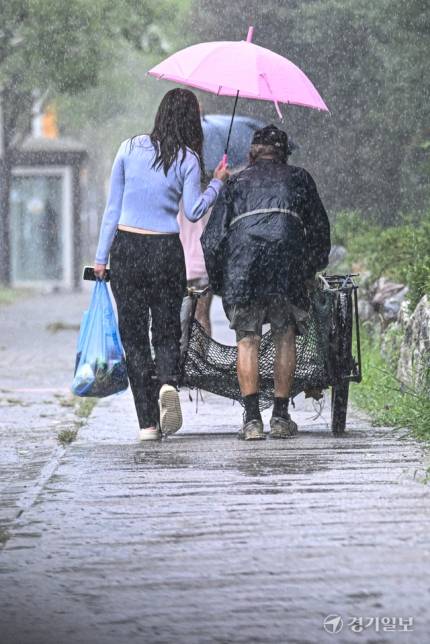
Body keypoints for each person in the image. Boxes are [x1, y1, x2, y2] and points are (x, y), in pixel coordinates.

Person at [93, 88, 229, 441]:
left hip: (127, 247)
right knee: (167, 330)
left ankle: (147, 425)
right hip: (167, 250)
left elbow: (112, 210)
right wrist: (217, 183)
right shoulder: (187, 159)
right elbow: (194, 212)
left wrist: (100, 259)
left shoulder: (128, 148)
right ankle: (167, 381)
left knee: (134, 338)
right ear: (190, 122)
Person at [202, 125, 330, 441]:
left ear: (252, 152)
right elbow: (319, 231)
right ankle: (281, 416)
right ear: (284, 153)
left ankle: (251, 420)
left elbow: (211, 240)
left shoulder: (233, 184)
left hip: (244, 269)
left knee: (247, 340)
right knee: (285, 336)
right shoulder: (299, 179)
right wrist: (311, 268)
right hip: (287, 269)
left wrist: (222, 282)